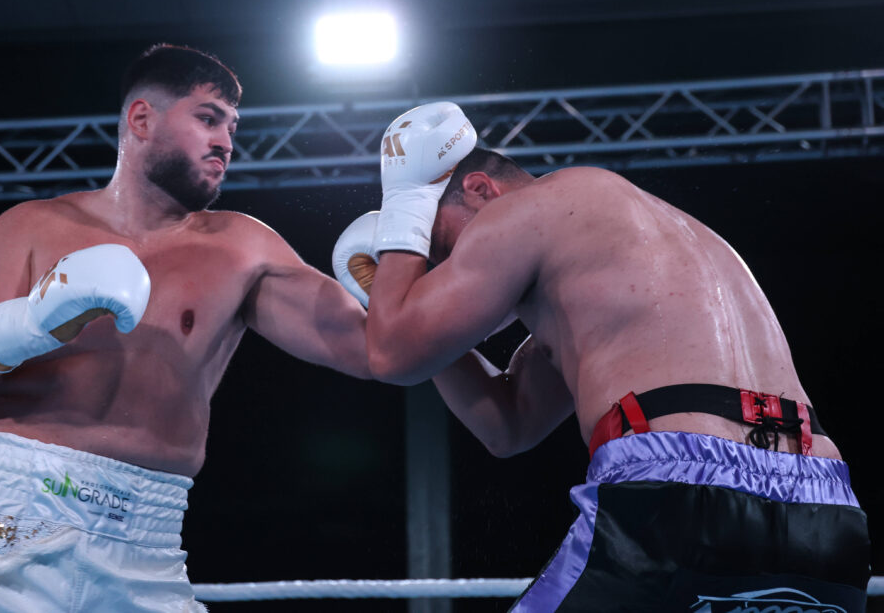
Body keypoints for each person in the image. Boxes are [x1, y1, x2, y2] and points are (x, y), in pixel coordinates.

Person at [0, 44, 371, 612]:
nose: (226, 142)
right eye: (208, 118)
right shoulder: (34, 225)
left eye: (232, 127)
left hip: (143, 547)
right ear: (142, 119)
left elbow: (382, 351)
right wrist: (33, 321)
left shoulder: (243, 247)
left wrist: (407, 239)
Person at [333, 102, 870, 612]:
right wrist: (418, 319)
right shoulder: (641, 249)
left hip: (679, 493)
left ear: (479, 190)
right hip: (825, 506)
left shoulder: (527, 209)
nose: (447, 271)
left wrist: (404, 214)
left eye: (443, 248)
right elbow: (509, 424)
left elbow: (392, 354)